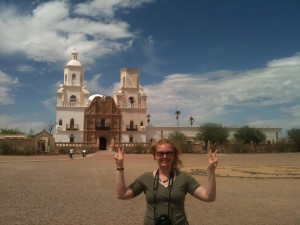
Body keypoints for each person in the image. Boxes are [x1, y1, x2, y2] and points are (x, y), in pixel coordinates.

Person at [114, 139, 218, 225]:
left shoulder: (184, 178)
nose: (165, 156)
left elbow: (209, 197)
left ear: (174, 155)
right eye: (160, 153)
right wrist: (119, 167)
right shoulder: (145, 178)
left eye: (169, 153)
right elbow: (122, 194)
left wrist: (211, 171)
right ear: (155, 156)